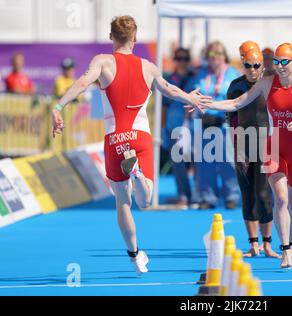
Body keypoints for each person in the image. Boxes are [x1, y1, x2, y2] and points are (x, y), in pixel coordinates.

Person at [51, 15, 211, 275]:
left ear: (111, 37)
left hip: (116, 137)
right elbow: (169, 89)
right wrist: (190, 99)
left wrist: (58, 106)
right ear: (135, 38)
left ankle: (135, 255)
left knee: (123, 202)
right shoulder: (148, 66)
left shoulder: (102, 62)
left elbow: (82, 83)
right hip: (140, 135)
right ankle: (137, 174)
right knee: (145, 201)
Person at [188, 43, 292, 269]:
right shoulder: (265, 84)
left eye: (285, 62)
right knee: (280, 199)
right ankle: (284, 250)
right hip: (273, 148)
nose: (281, 66)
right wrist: (204, 102)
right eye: (277, 62)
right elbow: (236, 103)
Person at [227, 46, 280, 259]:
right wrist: (237, 150)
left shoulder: (270, 82)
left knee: (263, 194)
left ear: (262, 65)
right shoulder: (236, 86)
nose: (252, 69)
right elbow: (231, 121)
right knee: (247, 195)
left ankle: (267, 244)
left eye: (256, 65)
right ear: (243, 65)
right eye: (248, 65)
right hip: (244, 145)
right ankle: (253, 244)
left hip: (267, 144)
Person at [193, 41, 241, 210]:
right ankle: (208, 197)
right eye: (212, 54)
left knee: (228, 162)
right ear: (207, 57)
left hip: (225, 125)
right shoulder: (200, 75)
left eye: (219, 54)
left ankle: (231, 195)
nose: (216, 58)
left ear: (225, 56)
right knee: (206, 163)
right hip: (205, 124)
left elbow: (238, 99)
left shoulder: (233, 74)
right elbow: (193, 95)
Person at [162, 48, 196, 208]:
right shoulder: (169, 78)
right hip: (173, 127)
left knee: (196, 162)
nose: (182, 61)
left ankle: (196, 194)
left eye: (185, 58)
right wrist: (162, 128)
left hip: (190, 127)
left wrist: (187, 124)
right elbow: (163, 105)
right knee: (178, 163)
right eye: (178, 58)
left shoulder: (195, 78)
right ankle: (183, 195)